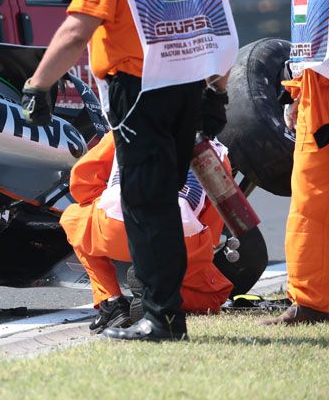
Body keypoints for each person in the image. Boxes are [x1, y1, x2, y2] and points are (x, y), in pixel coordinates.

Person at [19, 0, 238, 341]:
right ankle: (165, 312)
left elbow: (77, 29)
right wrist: (216, 91)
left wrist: (39, 84)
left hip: (138, 94)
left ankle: (161, 318)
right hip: (188, 89)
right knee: (162, 199)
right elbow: (222, 30)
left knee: (147, 204)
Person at [61, 132, 234, 333]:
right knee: (216, 295)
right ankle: (153, 293)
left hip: (117, 227)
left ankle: (111, 301)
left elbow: (81, 183)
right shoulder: (216, 152)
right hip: (177, 239)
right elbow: (212, 232)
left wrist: (105, 201)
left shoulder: (123, 128)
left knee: (73, 218)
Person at [261, 0, 329, 325]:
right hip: (312, 81)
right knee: (309, 193)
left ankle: (311, 300)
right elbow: (304, 16)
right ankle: (311, 299)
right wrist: (294, 82)